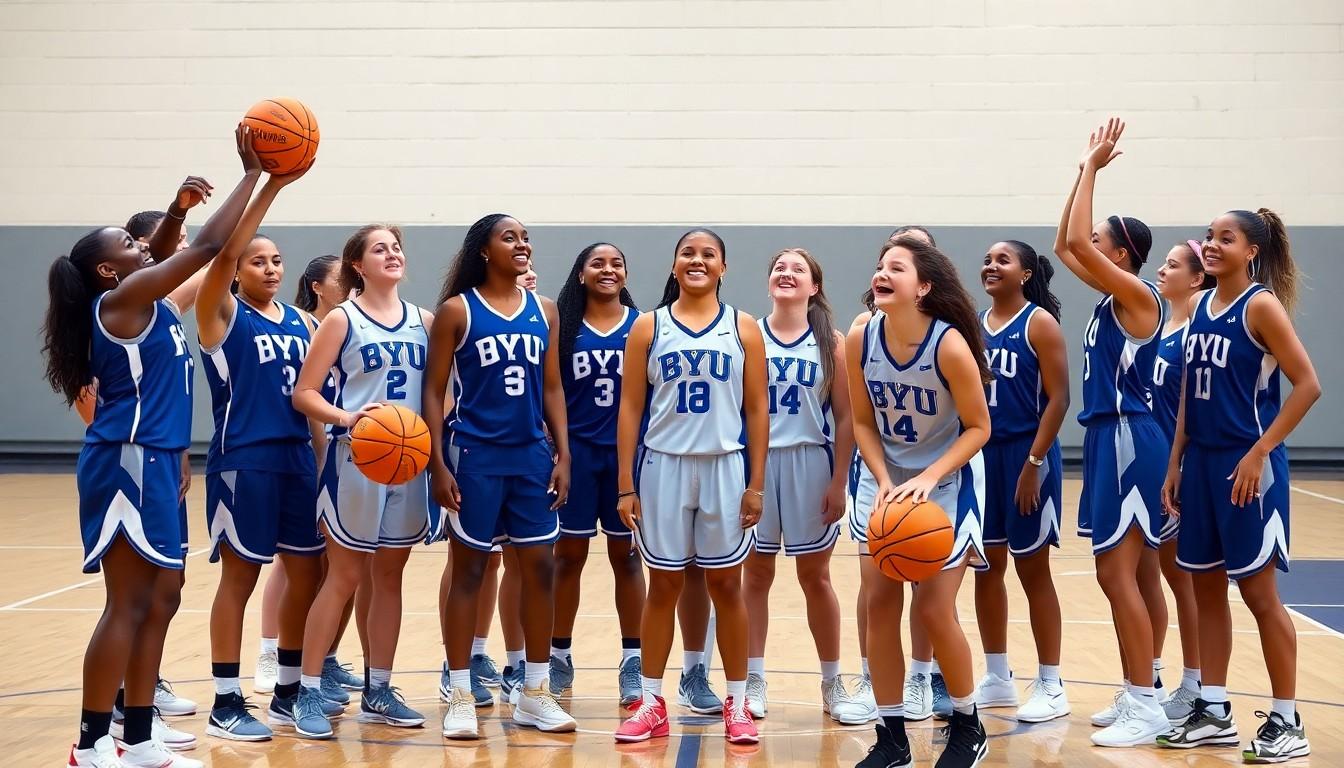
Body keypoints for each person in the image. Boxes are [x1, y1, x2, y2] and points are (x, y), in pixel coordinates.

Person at [44, 125, 259, 768]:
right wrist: (254, 172)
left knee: (164, 596)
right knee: (129, 601)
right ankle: (91, 742)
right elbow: (212, 245)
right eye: (131, 245)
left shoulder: (151, 299)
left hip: (159, 459)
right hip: (125, 460)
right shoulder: (123, 301)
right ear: (111, 269)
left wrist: (175, 210)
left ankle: (138, 736)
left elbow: (172, 245)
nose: (148, 247)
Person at [1159, 207, 1319, 763]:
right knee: (1205, 589)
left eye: (1225, 238)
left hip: (1247, 467)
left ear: (1252, 251)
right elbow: (1186, 395)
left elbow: (1307, 385)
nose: (1211, 244)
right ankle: (1215, 709)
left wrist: (1259, 452)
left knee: (1259, 595)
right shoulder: (1200, 303)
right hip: (1200, 465)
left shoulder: (1261, 305)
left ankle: (1286, 718)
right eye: (1208, 236)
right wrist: (1175, 460)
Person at [613, 229, 767, 745]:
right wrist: (624, 484)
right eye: (688, 253)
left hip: (725, 465)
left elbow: (757, 409)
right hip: (663, 466)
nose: (697, 260)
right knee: (664, 585)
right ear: (674, 265)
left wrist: (757, 483)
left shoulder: (744, 327)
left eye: (708, 254)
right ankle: (652, 701)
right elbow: (630, 407)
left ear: (724, 267)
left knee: (727, 586)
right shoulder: (647, 326)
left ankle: (739, 703)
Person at [424, 214, 576, 738]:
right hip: (475, 457)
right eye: (509, 237)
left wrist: (564, 454)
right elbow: (432, 390)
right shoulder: (456, 311)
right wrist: (437, 463)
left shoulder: (546, 310)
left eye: (526, 236)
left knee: (539, 570)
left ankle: (534, 691)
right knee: (469, 573)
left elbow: (552, 387)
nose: (522, 244)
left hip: (531, 455)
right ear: (483, 251)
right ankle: (461, 692)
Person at [848, 235, 991, 768]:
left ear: (923, 286)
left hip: (948, 478)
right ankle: (891, 739)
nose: (881, 273)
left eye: (896, 268)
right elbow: (862, 420)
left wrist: (929, 477)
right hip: (883, 478)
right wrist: (883, 478)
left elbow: (979, 428)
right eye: (880, 266)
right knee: (880, 609)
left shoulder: (949, 344)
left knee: (933, 609)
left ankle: (967, 725)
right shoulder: (860, 337)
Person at [289, 224, 434, 738]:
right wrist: (348, 417)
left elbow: (441, 396)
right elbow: (304, 393)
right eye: (380, 249)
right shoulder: (340, 321)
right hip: (356, 459)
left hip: (409, 462)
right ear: (358, 265)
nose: (392, 254)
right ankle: (307, 692)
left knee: (389, 578)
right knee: (345, 576)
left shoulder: (425, 321)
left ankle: (379, 689)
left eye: (396, 247)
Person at [1055, 118, 1170, 746]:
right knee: (1139, 574)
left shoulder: (1138, 297)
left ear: (1120, 255)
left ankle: (1147, 702)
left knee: (1115, 574)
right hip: (1111, 437)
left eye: (1101, 241)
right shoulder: (1112, 299)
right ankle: (1140, 686)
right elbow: (1065, 241)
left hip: (1131, 437)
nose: (1087, 245)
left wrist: (1092, 168)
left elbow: (1074, 241)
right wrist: (1079, 173)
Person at [195, 163, 316, 742]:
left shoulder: (303, 321)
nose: (268, 267)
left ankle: (290, 692)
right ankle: (224, 699)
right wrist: (270, 186)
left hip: (298, 460)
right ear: (238, 270)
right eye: (256, 260)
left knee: (307, 575)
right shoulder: (220, 314)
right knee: (240, 579)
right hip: (243, 460)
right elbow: (219, 256)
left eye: (275, 260)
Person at [742, 248, 863, 722]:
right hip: (756, 465)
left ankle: (832, 683)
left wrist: (839, 480)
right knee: (756, 575)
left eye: (798, 269)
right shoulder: (748, 333)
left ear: (814, 286)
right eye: (779, 267)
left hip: (811, 462)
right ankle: (752, 679)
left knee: (816, 578)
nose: (786, 273)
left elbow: (848, 417)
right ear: (769, 281)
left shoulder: (831, 341)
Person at [255, 254, 369, 701]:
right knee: (292, 559)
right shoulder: (307, 326)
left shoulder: (361, 326)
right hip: (300, 447)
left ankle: (324, 660)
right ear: (318, 286)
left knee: (340, 565)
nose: (352, 281)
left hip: (336, 450)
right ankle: (270, 651)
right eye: (342, 277)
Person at [973, 240, 1070, 723]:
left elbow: (1059, 398)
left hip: (1028, 455)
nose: (990, 266)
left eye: (1002, 260)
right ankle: (997, 675)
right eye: (988, 260)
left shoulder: (1039, 323)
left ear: (1026, 273)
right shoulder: (971, 324)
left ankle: (1051, 683)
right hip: (982, 456)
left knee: (1033, 571)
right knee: (986, 566)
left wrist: (1034, 463)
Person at [549, 243, 647, 705]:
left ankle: (633, 660)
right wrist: (559, 453)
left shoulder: (643, 326)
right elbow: (549, 391)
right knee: (568, 559)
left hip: (626, 457)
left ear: (626, 274)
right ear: (582, 273)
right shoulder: (563, 326)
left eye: (617, 263)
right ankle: (558, 655)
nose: (609, 269)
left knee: (627, 559)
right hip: (577, 455)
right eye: (598, 263)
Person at [1148, 240, 1214, 726]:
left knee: (1181, 578)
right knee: (1151, 573)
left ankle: (1195, 684)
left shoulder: (1196, 327)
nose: (1161, 270)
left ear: (1196, 279)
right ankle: (1149, 679)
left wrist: (1179, 465)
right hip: (1155, 464)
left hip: (1182, 467)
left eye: (1172, 265)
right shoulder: (1160, 325)